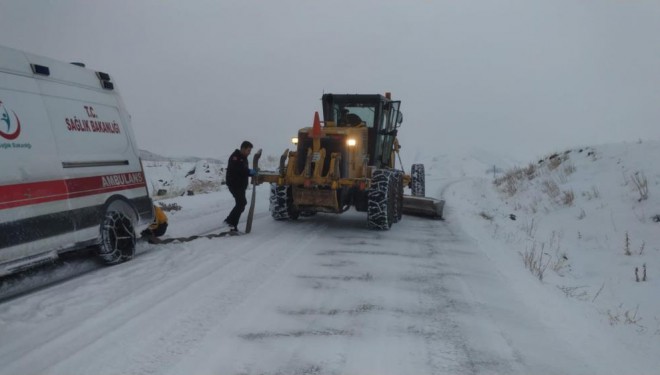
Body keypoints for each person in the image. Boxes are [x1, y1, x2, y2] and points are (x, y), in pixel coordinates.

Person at [224, 140, 255, 232]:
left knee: (241, 203)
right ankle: (230, 222)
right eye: (248, 150)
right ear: (243, 149)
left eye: (250, 151)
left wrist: (251, 173)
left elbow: (243, 170)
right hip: (234, 184)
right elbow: (238, 170)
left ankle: (231, 223)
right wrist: (249, 171)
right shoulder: (235, 157)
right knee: (241, 203)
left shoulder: (243, 157)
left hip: (240, 185)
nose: (249, 153)